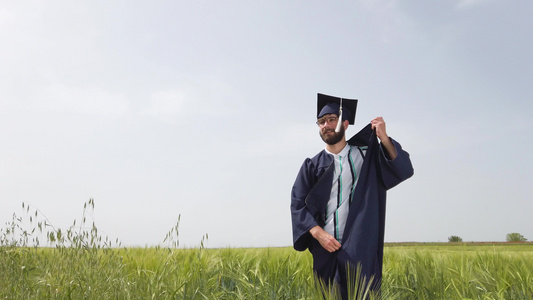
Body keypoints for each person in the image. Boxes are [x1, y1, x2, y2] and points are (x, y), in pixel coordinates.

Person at [290, 93, 414, 298]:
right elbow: (297, 204)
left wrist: (384, 138)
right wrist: (319, 234)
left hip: (360, 248)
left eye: (331, 119)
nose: (326, 125)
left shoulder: (366, 156)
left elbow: (403, 170)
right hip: (325, 249)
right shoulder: (311, 166)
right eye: (321, 121)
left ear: (345, 124)